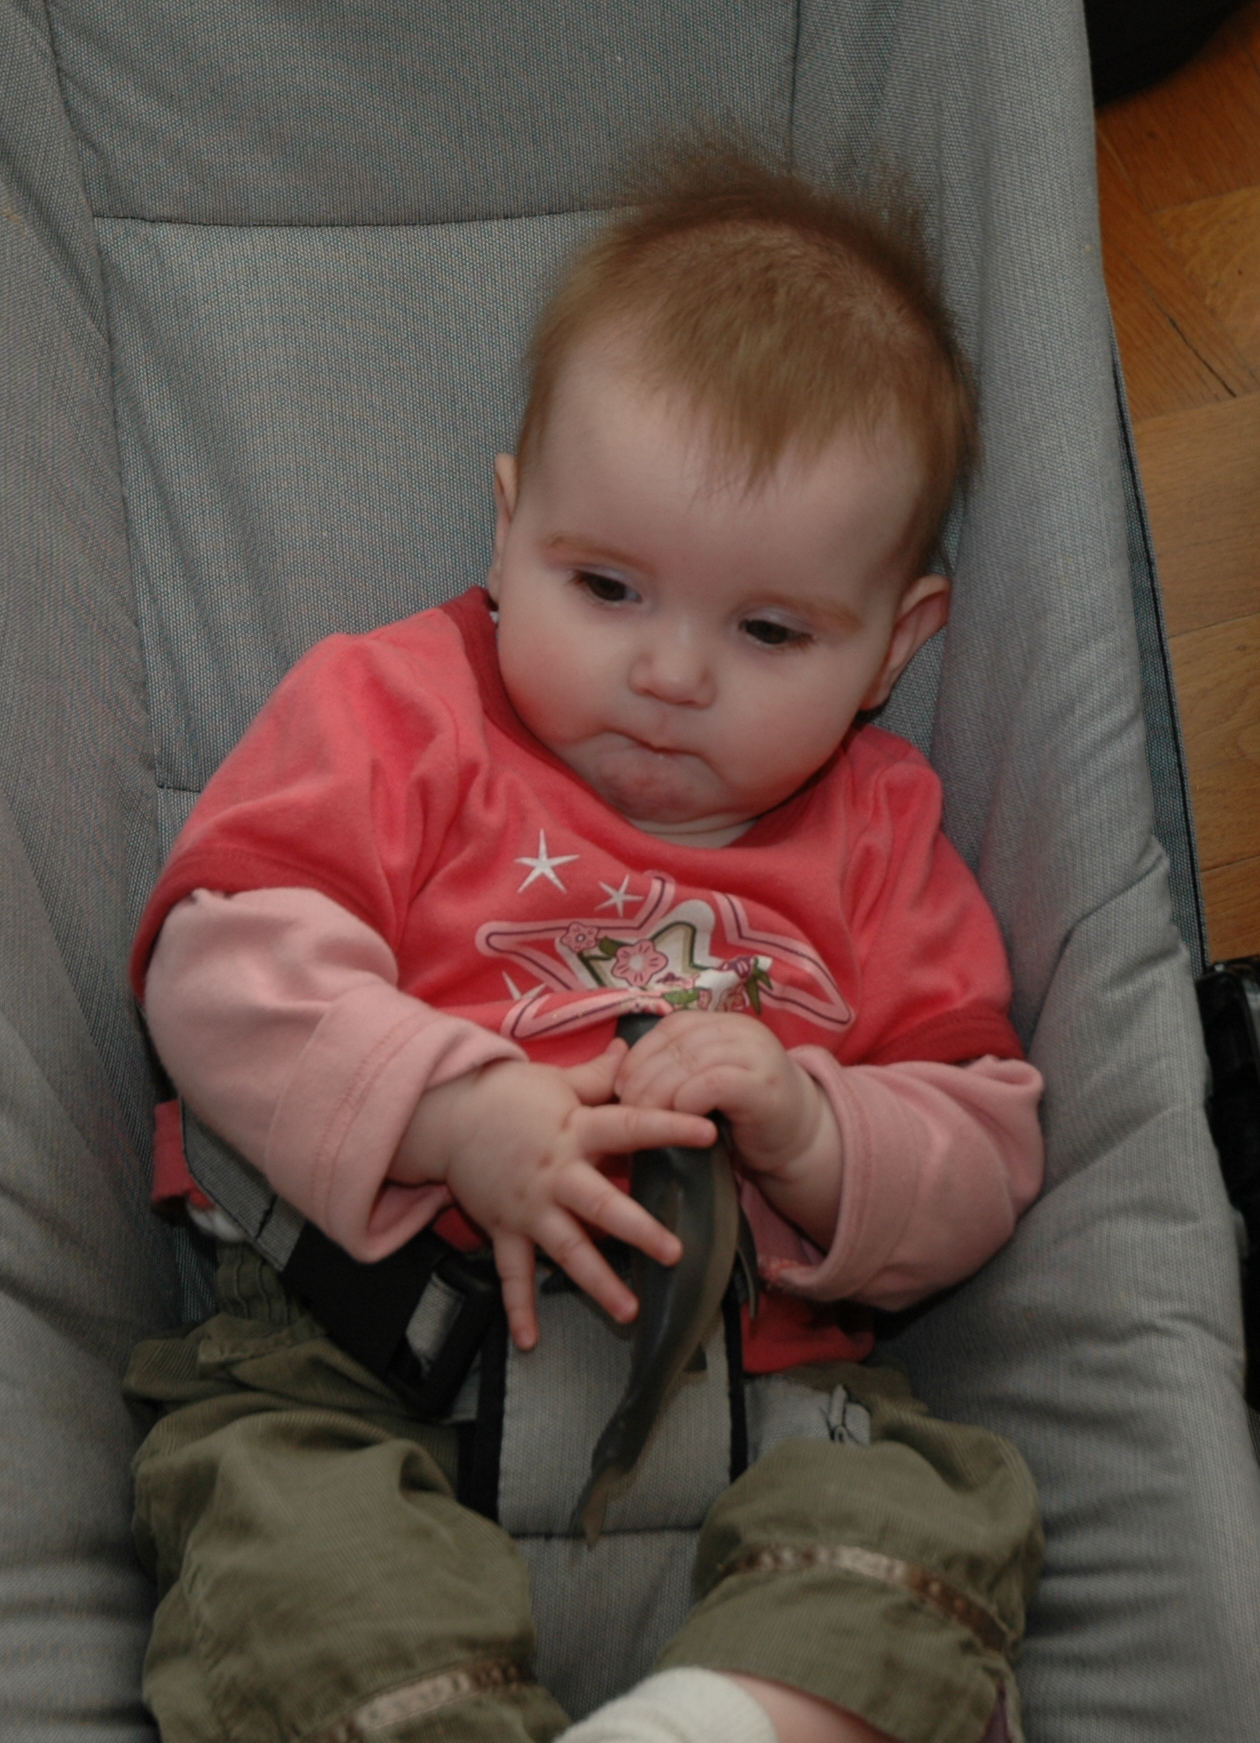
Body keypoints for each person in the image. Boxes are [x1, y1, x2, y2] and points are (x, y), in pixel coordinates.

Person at [121, 145, 1046, 1743]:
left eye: (769, 630)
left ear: (896, 643)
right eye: (606, 586)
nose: (672, 674)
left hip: (770, 1408)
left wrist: (818, 1133)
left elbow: (985, 1142)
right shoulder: (396, 712)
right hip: (363, 1378)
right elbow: (216, 969)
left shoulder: (884, 836)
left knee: (935, 1530)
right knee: (283, 1557)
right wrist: (450, 1106)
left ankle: (716, 1724)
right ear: (506, 533)